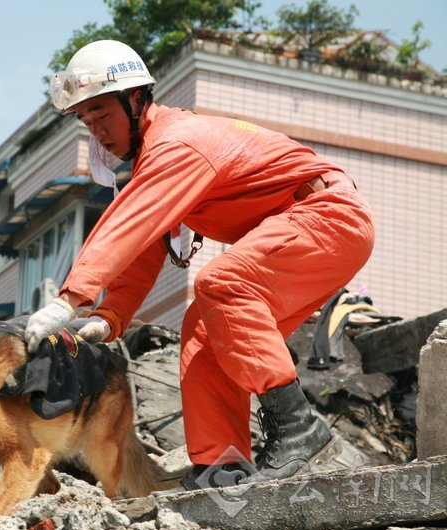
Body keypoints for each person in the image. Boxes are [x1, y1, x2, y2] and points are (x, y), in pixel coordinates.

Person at [24, 40, 374, 488]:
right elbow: (144, 245)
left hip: (328, 217)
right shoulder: (159, 155)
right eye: (88, 122)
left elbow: (127, 224)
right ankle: (222, 466)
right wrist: (109, 316)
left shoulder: (178, 144)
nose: (99, 133)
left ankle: (299, 431)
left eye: (103, 115)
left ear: (135, 100)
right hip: (314, 225)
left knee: (223, 283)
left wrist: (69, 300)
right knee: (206, 328)